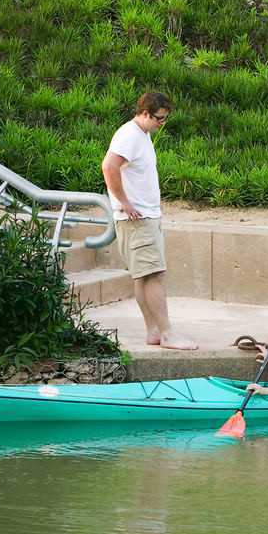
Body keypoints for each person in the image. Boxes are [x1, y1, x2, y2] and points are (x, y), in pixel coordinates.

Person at [101, 92, 194, 350]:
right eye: (158, 119)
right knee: (154, 275)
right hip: (137, 218)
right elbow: (109, 167)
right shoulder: (129, 135)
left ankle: (153, 331)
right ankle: (167, 334)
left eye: (164, 119)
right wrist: (125, 203)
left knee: (143, 276)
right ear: (144, 113)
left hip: (144, 216)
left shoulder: (142, 135)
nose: (161, 124)